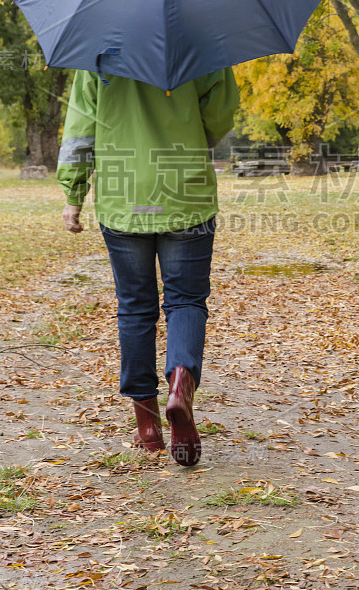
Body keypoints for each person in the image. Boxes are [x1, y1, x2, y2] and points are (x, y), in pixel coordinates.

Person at [56, 69, 239, 467]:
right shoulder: (203, 46)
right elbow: (221, 115)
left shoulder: (97, 51)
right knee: (186, 300)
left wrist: (74, 193)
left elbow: (81, 128)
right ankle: (181, 383)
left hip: (123, 196)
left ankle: (149, 425)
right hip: (185, 192)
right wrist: (188, 137)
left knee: (135, 307)